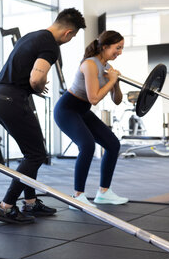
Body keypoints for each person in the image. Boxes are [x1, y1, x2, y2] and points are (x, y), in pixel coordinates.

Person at [0, 8, 86, 224]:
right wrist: (39, 87)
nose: (70, 40)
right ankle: (6, 206)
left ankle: (30, 202)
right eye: (73, 37)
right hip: (12, 100)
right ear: (68, 33)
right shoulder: (50, 45)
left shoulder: (31, 36)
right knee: (36, 155)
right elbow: (36, 78)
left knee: (30, 153)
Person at [53, 30, 128, 209]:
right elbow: (94, 98)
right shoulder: (90, 64)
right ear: (104, 46)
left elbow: (117, 100)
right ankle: (77, 196)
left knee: (113, 144)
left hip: (83, 110)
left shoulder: (107, 68)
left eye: (122, 48)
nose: (120, 52)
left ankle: (103, 193)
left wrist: (115, 82)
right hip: (67, 109)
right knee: (87, 146)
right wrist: (111, 80)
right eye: (117, 48)